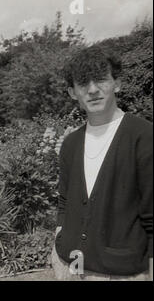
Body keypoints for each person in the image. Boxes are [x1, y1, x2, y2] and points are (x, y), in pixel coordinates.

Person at [52, 45, 153, 281]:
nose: (93, 90)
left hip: (121, 274)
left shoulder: (144, 137)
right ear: (72, 92)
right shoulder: (71, 143)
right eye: (83, 83)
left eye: (101, 80)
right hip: (68, 268)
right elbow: (64, 201)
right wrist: (57, 244)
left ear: (117, 83)